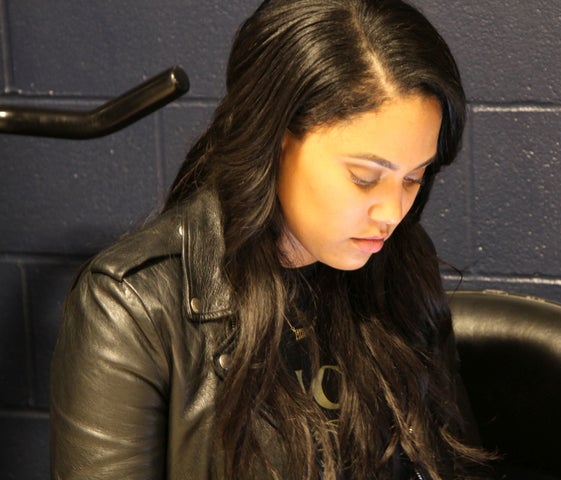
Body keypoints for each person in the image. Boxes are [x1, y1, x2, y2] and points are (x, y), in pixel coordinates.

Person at [50, 0, 494, 478]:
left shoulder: (401, 263)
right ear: (274, 140)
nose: (393, 214)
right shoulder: (134, 308)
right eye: (365, 177)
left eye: (414, 179)